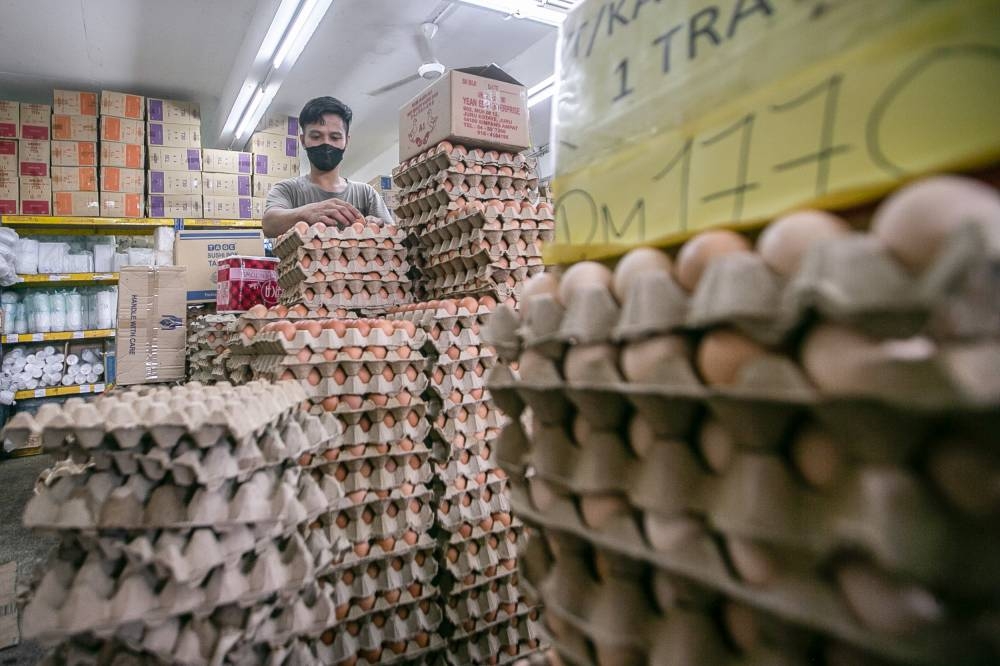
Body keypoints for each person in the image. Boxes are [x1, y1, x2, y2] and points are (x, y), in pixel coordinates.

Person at [263, 96, 393, 237]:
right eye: (316, 136)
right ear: (303, 140)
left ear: (346, 141)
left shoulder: (365, 194)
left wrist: (376, 225)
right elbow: (269, 224)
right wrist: (308, 212)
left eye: (335, 137)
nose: (326, 143)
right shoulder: (287, 190)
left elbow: (392, 236)